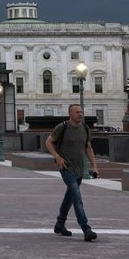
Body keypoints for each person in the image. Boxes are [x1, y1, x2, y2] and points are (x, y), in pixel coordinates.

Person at [45, 103, 99, 242]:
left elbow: (88, 148)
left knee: (70, 197)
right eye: (77, 112)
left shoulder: (85, 128)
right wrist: (57, 157)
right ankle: (86, 228)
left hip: (80, 169)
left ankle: (60, 224)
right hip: (66, 168)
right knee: (76, 196)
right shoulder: (62, 127)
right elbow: (49, 142)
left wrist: (94, 166)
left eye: (81, 112)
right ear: (70, 114)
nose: (80, 114)